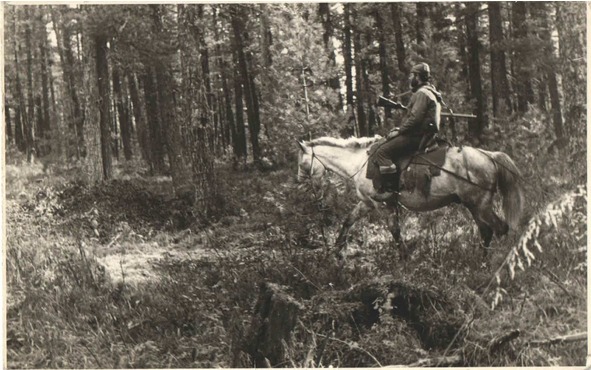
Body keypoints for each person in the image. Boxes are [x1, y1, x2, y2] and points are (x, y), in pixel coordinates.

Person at [371, 62, 443, 201]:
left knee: (381, 151)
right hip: (425, 135)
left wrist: (399, 131)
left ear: (418, 77)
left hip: (417, 136)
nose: (410, 79)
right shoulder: (431, 92)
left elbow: (415, 120)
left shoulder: (422, 93)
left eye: (412, 75)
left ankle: (390, 190)